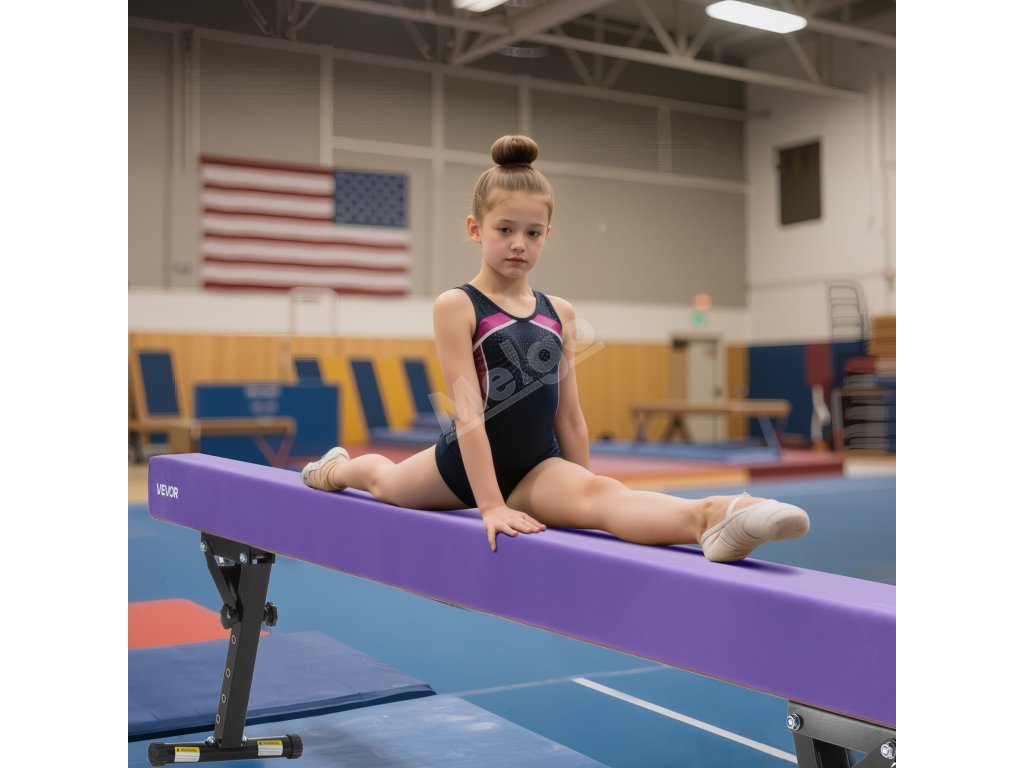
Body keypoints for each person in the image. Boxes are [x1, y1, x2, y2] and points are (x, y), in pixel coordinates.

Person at [303, 135, 810, 559]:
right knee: (385, 483)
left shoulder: (558, 312)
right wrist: (490, 505)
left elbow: (570, 417)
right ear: (475, 229)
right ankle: (336, 468)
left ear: (548, 234)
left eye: (533, 232)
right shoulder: (458, 305)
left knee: (606, 497)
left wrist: (580, 490)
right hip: (464, 466)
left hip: (538, 465)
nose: (518, 244)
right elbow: (469, 414)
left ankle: (717, 516)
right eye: (505, 230)